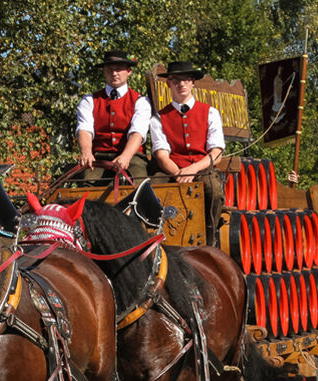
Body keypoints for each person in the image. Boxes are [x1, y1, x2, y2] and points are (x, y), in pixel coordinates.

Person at [148, 61, 225, 245]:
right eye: (176, 80)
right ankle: (155, 239)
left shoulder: (210, 113)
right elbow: (161, 155)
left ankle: (209, 237)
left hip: (201, 167)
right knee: (150, 189)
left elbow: (216, 152)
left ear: (192, 83)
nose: (181, 84)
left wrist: (193, 170)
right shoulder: (158, 118)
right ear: (169, 84)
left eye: (186, 80)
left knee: (212, 187)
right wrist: (177, 174)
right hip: (171, 170)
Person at [76, 50, 151, 184]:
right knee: (88, 185)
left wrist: (126, 156)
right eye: (109, 69)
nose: (114, 73)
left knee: (139, 185)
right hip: (99, 157)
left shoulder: (141, 101)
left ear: (129, 71)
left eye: (118, 69)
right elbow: (85, 129)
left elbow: (137, 133)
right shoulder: (89, 100)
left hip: (132, 157)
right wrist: (86, 152)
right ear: (104, 72)